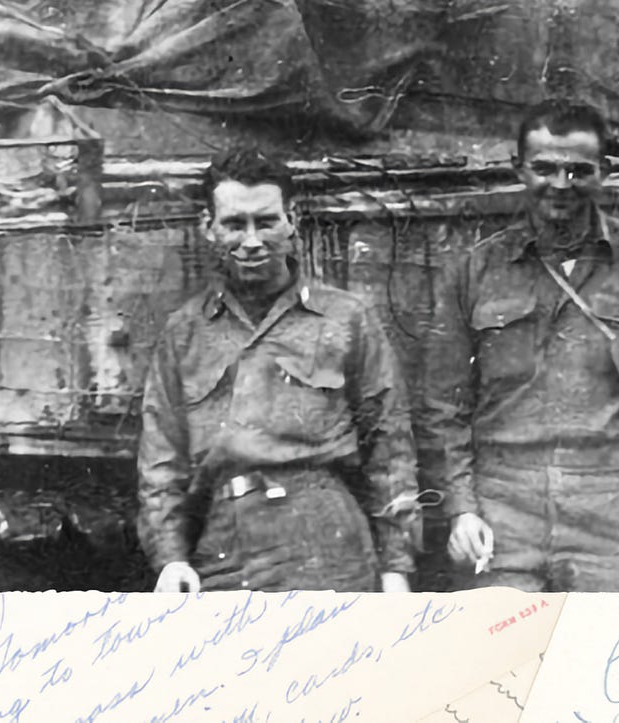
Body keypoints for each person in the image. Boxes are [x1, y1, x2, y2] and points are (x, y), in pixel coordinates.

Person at [417, 100, 619, 592]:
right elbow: (440, 407)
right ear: (519, 168)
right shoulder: (475, 270)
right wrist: (462, 508)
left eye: (579, 170)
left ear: (604, 173)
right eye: (545, 169)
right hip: (502, 507)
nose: (561, 184)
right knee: (503, 657)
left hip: (611, 506)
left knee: (599, 657)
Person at [138, 148, 419, 593]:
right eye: (234, 224)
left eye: (265, 221)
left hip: (327, 543)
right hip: (224, 547)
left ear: (293, 221)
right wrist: (171, 559)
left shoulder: (345, 319)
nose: (251, 241)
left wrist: (395, 568)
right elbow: (162, 461)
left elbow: (390, 448)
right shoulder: (185, 333)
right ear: (207, 227)